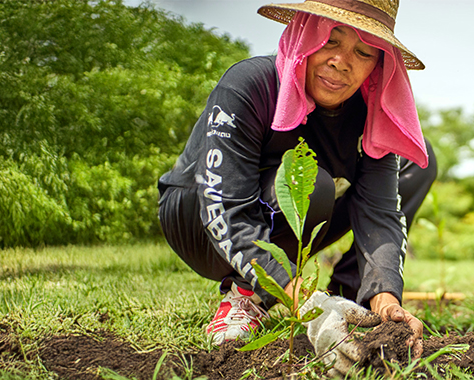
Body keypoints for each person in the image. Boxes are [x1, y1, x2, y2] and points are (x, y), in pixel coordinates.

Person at [156, 0, 434, 373]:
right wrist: (308, 303)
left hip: (283, 219)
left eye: (364, 52)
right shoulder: (249, 85)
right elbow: (225, 206)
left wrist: (387, 304)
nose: (341, 62)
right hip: (198, 218)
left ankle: (347, 301)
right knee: (309, 183)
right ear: (306, 35)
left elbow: (379, 214)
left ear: (379, 64)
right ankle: (247, 294)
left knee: (415, 158)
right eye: (331, 41)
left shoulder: (371, 114)